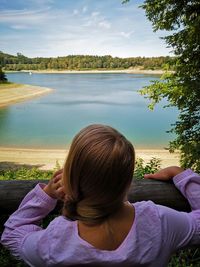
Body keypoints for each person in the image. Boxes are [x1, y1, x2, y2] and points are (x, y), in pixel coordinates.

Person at [1, 124, 200, 267]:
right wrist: (182, 175)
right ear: (128, 181)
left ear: (71, 176)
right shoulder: (159, 222)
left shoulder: (55, 241)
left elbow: (12, 234)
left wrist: (46, 195)